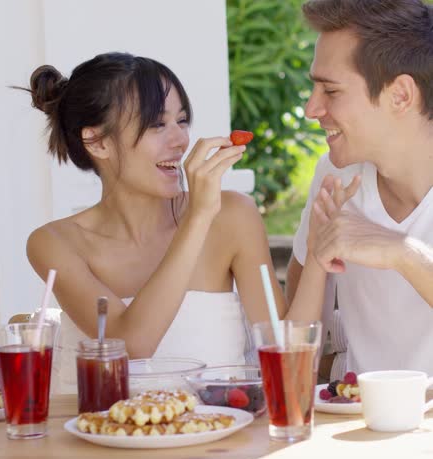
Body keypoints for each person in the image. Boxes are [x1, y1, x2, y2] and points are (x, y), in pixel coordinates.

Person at [23, 52, 326, 392]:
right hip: (102, 438)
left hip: (219, 435)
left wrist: (318, 253)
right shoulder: (55, 243)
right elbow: (132, 348)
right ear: (97, 141)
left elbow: (286, 358)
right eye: (156, 125)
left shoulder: (233, 216)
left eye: (181, 121)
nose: (180, 140)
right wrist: (197, 218)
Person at [287, 0, 433, 377]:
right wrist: (318, 257)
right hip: (354, 421)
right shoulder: (335, 177)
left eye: (330, 91)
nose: (311, 108)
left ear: (400, 95)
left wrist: (403, 253)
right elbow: (297, 352)